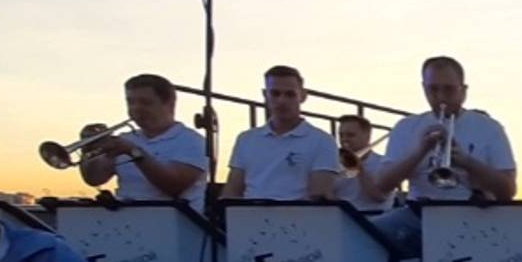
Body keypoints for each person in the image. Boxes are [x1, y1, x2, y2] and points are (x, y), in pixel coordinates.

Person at [364, 55, 519, 257]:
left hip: (472, 214)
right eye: (433, 89)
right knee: (363, 236)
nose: (440, 97)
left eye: (449, 89)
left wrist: (467, 162)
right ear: (424, 88)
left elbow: (508, 191)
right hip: (418, 214)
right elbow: (382, 186)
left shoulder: (489, 128)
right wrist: (420, 151)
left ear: (463, 90)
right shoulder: (406, 126)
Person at [75, 73, 210, 203]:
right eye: (130, 102)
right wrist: (87, 149)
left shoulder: (192, 141)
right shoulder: (125, 139)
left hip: (173, 217)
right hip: (125, 215)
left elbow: (173, 187)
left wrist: (133, 152)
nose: (136, 108)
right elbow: (94, 179)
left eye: (145, 102)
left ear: (169, 103)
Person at [221, 65, 341, 201]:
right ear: (265, 95)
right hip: (250, 212)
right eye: (275, 93)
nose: (282, 100)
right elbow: (232, 192)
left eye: (290, 94)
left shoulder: (323, 141)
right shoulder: (245, 139)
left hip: (299, 213)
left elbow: (319, 196)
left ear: (303, 96)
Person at [332, 114, 395, 213]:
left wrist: (358, 166)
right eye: (341, 135)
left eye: (350, 135)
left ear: (367, 137)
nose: (344, 139)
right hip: (341, 216)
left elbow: (379, 196)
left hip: (373, 217)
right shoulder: (333, 163)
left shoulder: (384, 163)